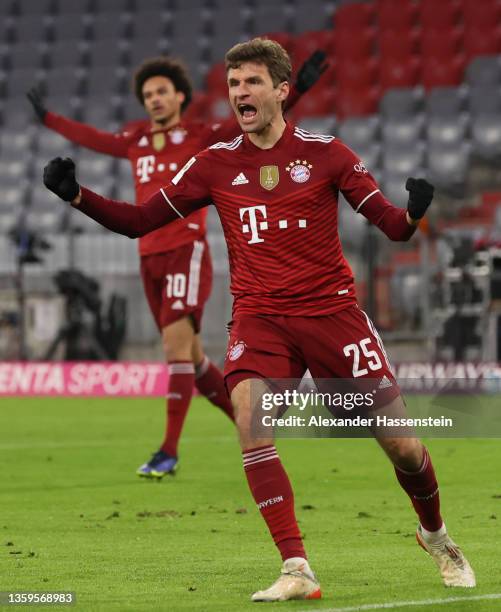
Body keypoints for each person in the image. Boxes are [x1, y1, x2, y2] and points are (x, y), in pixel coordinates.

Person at [42, 38, 475, 602]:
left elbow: (392, 227)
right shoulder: (215, 163)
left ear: (280, 90)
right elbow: (138, 221)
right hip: (260, 319)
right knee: (250, 417)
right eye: (233, 85)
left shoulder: (330, 155)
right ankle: (296, 567)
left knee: (403, 448)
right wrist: (77, 196)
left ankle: (437, 537)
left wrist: (415, 211)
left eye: (250, 82)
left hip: (333, 317)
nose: (240, 93)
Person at [29, 51, 328, 479]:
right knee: (193, 358)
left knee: (174, 350)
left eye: (162, 92)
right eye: (148, 94)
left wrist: (298, 88)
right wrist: (49, 120)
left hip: (187, 251)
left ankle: (168, 451)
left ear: (180, 96)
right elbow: (92, 138)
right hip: (147, 254)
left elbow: (253, 116)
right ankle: (253, 425)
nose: (154, 100)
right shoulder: (134, 139)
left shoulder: (201, 136)